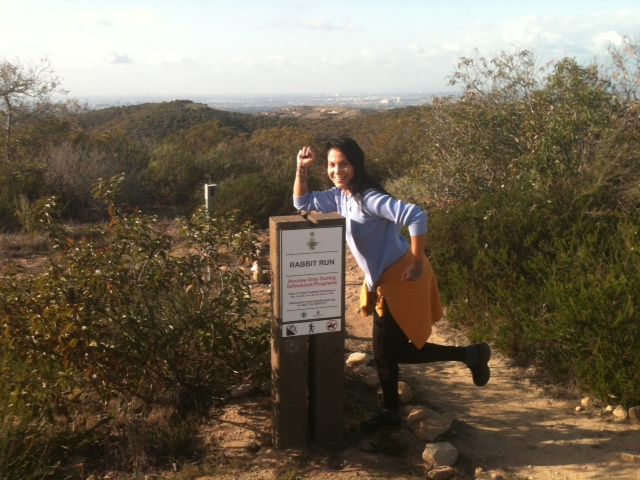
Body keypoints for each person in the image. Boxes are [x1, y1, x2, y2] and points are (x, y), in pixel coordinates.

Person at [293, 137, 491, 434]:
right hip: (384, 281)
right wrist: (302, 168)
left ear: (356, 164)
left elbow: (416, 215)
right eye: (332, 165)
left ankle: (468, 356)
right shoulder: (341, 196)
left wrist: (417, 262)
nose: (337, 170)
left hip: (404, 277)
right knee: (385, 351)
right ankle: (393, 410)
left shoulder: (368, 198)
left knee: (389, 352)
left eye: (344, 164)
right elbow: (302, 203)